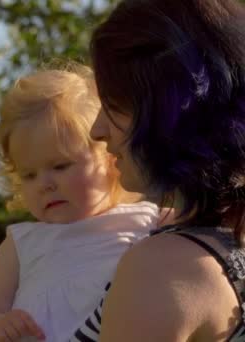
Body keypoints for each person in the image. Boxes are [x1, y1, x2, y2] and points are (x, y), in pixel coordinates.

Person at [71, 0, 245, 341]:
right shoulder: (231, 248)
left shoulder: (165, 269)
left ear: (173, 108)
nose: (96, 130)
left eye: (114, 106)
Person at [0, 65, 159, 342]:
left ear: (109, 159)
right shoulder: (22, 244)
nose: (45, 183)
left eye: (60, 166)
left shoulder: (149, 220)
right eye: (29, 175)